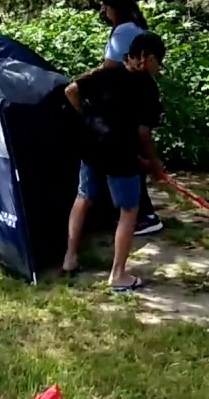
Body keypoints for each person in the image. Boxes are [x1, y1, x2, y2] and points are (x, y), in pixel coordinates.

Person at [61, 32, 167, 290]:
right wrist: (154, 163)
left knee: (83, 198)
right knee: (129, 211)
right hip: (121, 154)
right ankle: (118, 275)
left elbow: (71, 90)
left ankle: (69, 259)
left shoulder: (105, 73)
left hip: (92, 146)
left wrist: (86, 116)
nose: (158, 68)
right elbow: (143, 133)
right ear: (148, 58)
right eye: (158, 62)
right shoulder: (147, 87)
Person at [78, 0, 164, 236]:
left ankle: (139, 215)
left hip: (117, 100)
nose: (104, 13)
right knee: (131, 153)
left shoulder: (123, 30)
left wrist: (88, 83)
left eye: (106, 7)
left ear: (116, 7)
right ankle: (136, 212)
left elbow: (109, 66)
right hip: (128, 100)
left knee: (125, 158)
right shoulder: (137, 27)